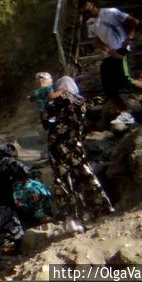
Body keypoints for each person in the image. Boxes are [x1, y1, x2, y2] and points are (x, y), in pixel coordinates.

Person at [31, 72, 114, 230]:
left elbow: (47, 122)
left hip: (59, 147)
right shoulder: (81, 103)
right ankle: (100, 209)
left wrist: (44, 92)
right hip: (75, 146)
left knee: (64, 181)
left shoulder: (60, 101)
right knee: (85, 175)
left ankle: (74, 220)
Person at [79, 0, 142, 121]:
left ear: (93, 5)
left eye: (87, 8)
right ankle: (126, 113)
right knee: (108, 89)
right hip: (110, 53)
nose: (87, 11)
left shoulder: (111, 12)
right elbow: (96, 40)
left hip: (122, 48)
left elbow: (133, 21)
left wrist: (128, 39)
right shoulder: (90, 23)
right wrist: (108, 51)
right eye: (84, 11)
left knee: (127, 80)